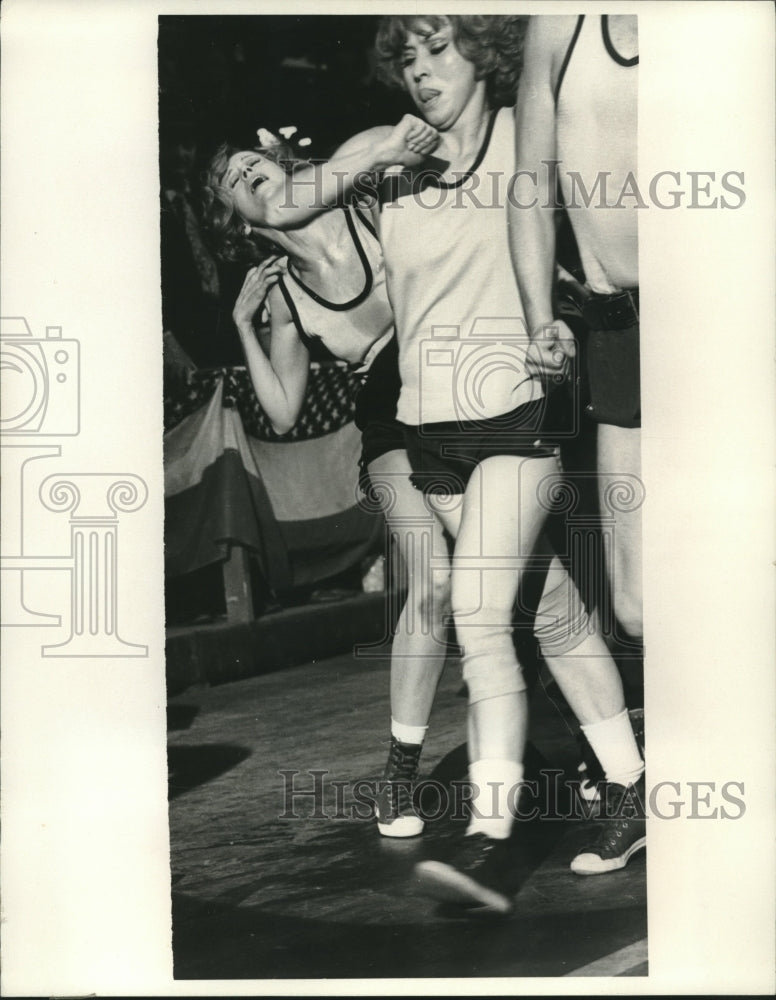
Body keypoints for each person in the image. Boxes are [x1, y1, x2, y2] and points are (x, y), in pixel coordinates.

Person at [333, 13, 644, 913]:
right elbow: (277, 209)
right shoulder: (390, 163)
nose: (421, 71)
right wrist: (371, 157)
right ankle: (632, 787)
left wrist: (577, 309)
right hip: (428, 434)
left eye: (439, 50)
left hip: (516, 415)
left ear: (483, 53)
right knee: (551, 611)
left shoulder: (523, 137)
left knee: (476, 612)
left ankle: (487, 840)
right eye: (406, 57)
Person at [201, 117, 454, 839]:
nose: (244, 172)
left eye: (251, 160)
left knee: (509, 562)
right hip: (386, 414)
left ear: (284, 164)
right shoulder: (284, 296)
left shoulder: (363, 198)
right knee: (432, 580)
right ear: (235, 218)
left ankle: (588, 744)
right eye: (229, 180)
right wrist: (244, 327)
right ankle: (399, 775)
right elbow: (282, 413)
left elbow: (411, 149)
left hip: (450, 381)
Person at [510, 13, 642, 643]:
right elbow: (530, 190)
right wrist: (540, 319)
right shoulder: (560, 25)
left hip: (723, 321)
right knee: (638, 603)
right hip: (622, 329)